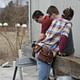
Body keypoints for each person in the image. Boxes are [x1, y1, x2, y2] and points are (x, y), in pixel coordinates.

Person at [46, 6, 74, 79]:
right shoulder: (67, 23)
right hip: (66, 51)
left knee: (56, 71)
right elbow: (63, 38)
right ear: (71, 17)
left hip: (53, 49)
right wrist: (60, 51)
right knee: (66, 73)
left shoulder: (56, 21)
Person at [32, 10, 52, 80]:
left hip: (51, 46)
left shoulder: (45, 21)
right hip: (50, 43)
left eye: (37, 20)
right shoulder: (47, 19)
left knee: (39, 56)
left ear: (40, 17)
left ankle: (44, 76)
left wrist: (36, 43)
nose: (37, 22)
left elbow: (42, 36)